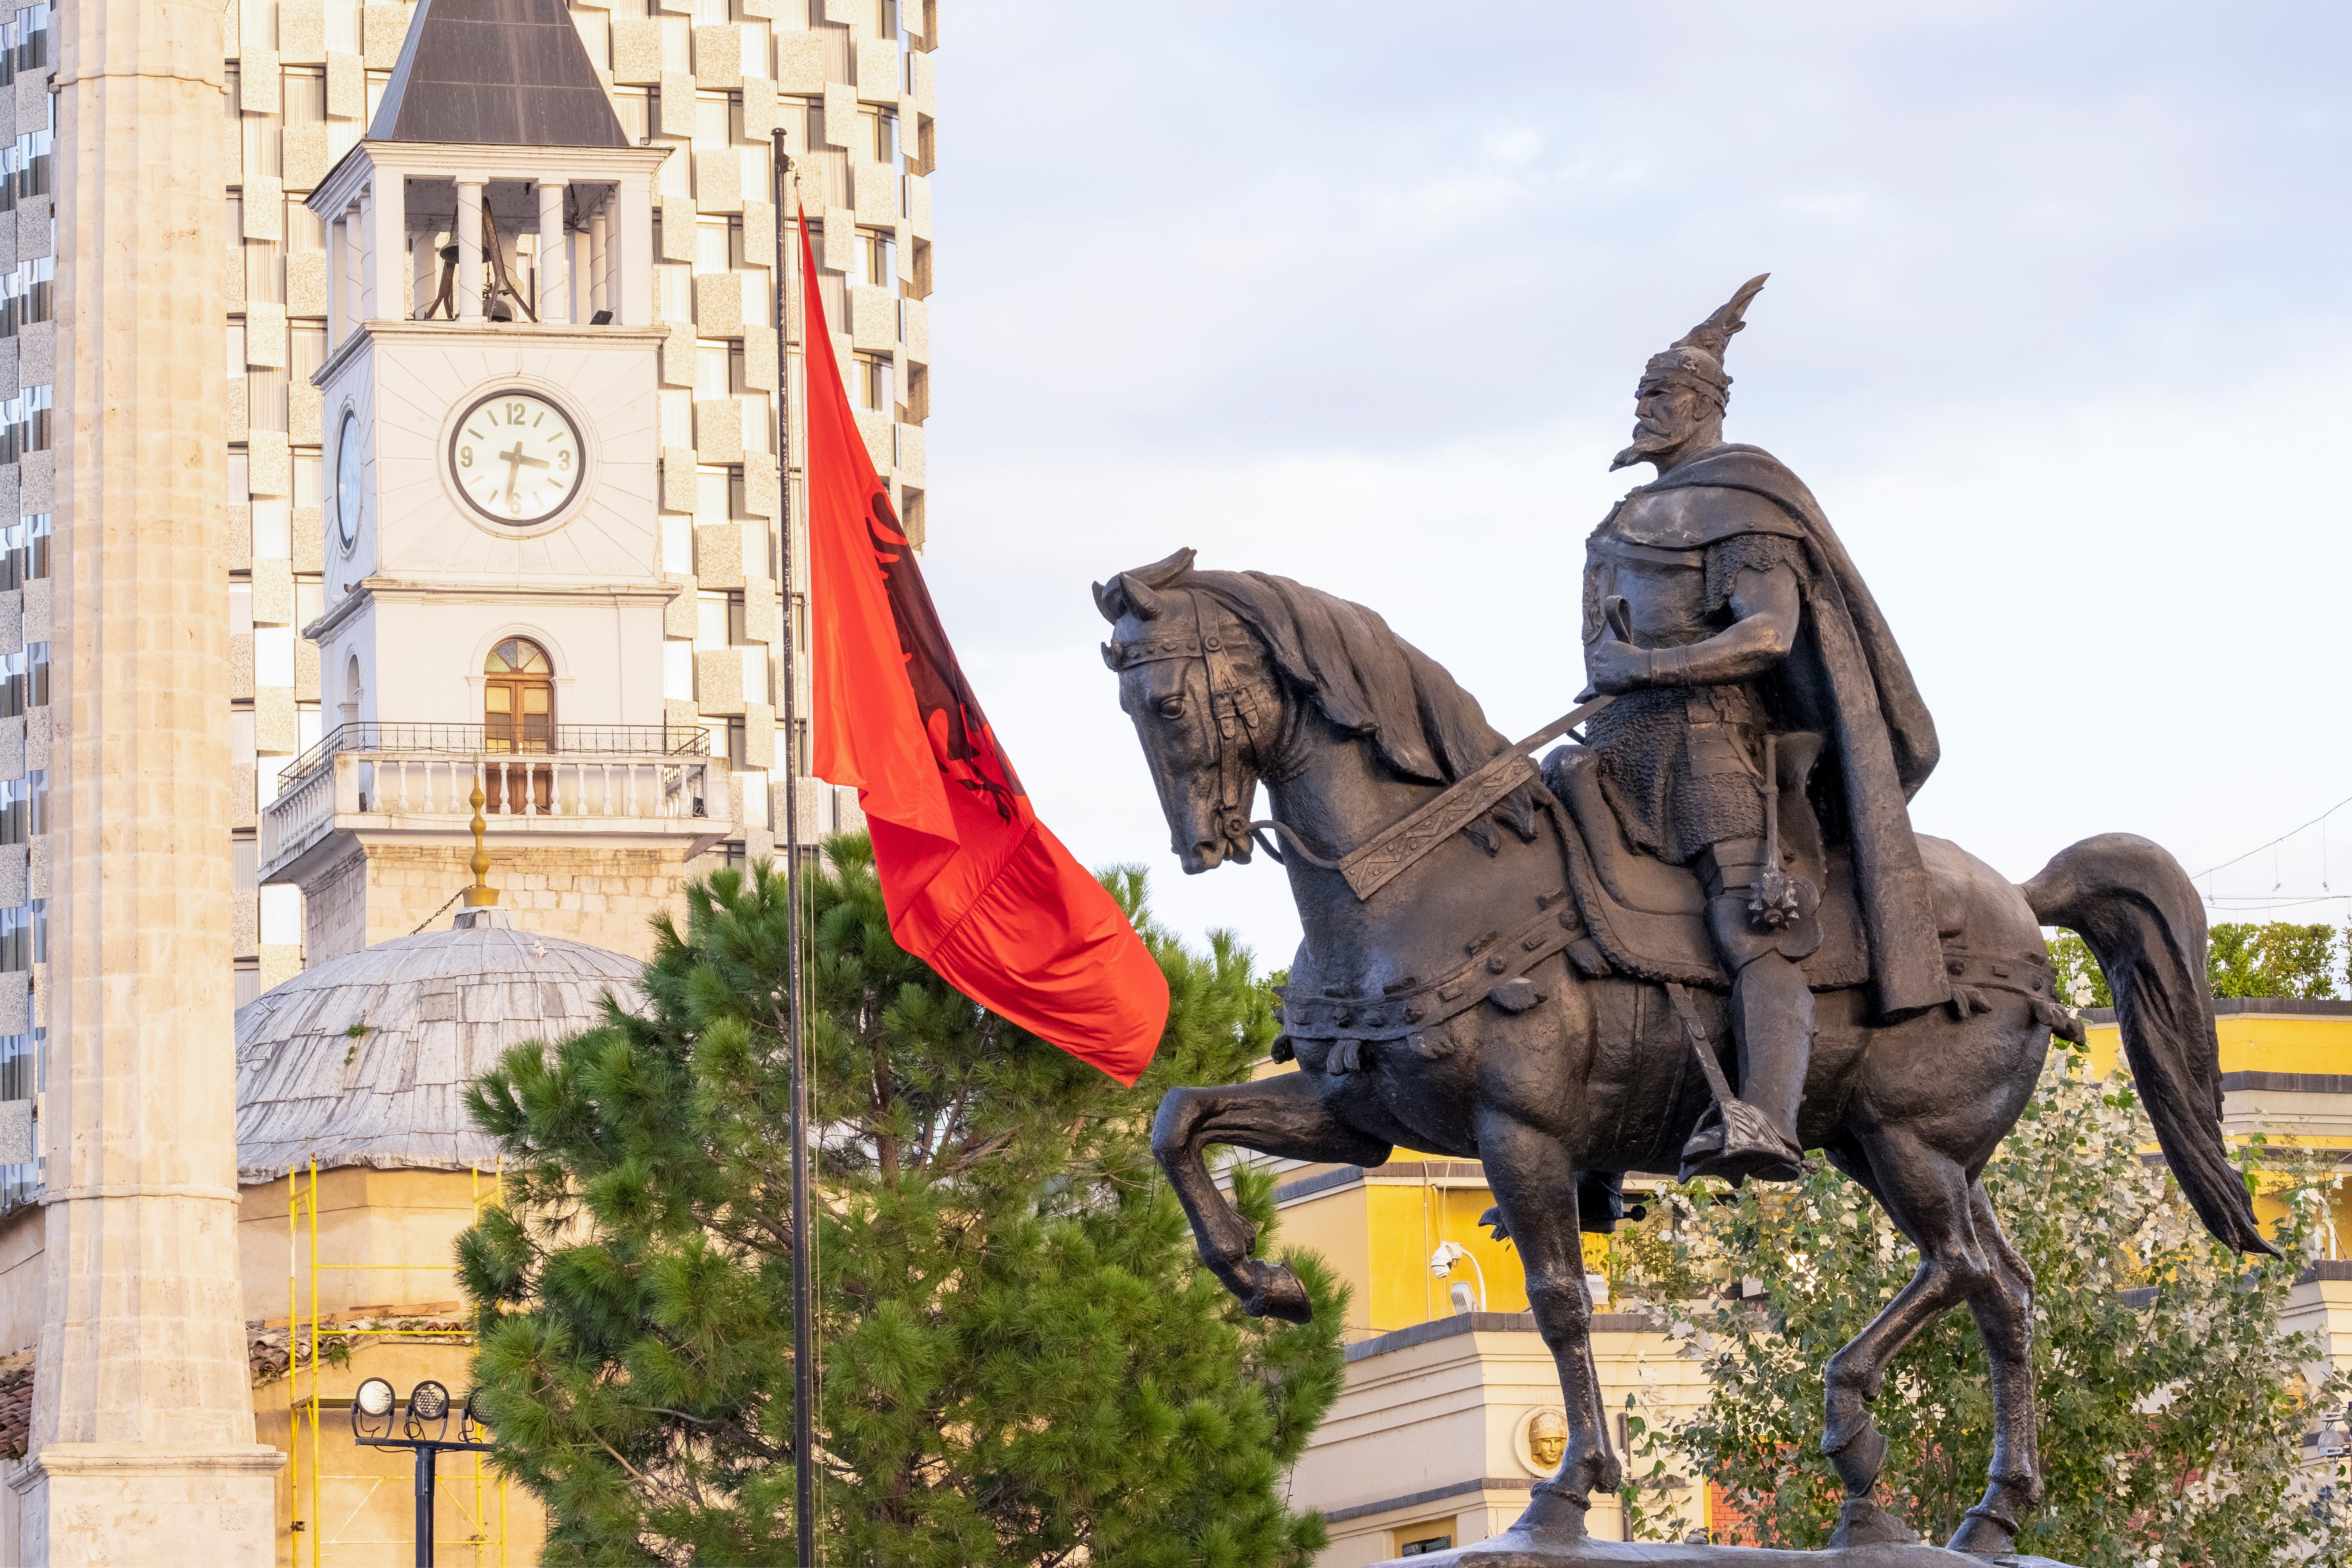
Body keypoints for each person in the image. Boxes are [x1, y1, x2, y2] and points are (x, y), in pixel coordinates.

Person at [1577, 276, 1945, 1182]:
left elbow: (1769, 633)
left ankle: (1767, 1119)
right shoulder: (1619, 520)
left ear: (1705, 407)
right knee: (1558, 897)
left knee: (1755, 924)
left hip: (1712, 744)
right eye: (1641, 397)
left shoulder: (1745, 503)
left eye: (1661, 397)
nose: (1645, 411)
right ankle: (1590, 1150)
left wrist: (1654, 668)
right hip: (1616, 742)